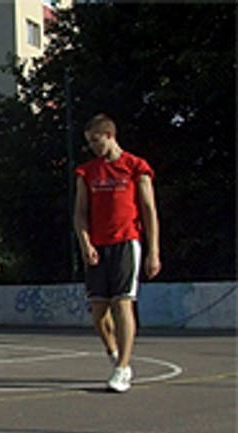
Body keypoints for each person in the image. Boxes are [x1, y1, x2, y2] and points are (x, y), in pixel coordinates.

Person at [74, 113, 161, 393]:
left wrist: (153, 251)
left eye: (96, 141)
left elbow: (149, 210)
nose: (93, 147)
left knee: (123, 302)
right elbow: (80, 213)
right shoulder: (87, 172)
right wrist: (85, 243)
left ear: (110, 136)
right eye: (89, 143)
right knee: (99, 311)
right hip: (98, 246)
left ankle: (123, 368)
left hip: (127, 242)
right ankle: (113, 352)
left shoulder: (136, 167)